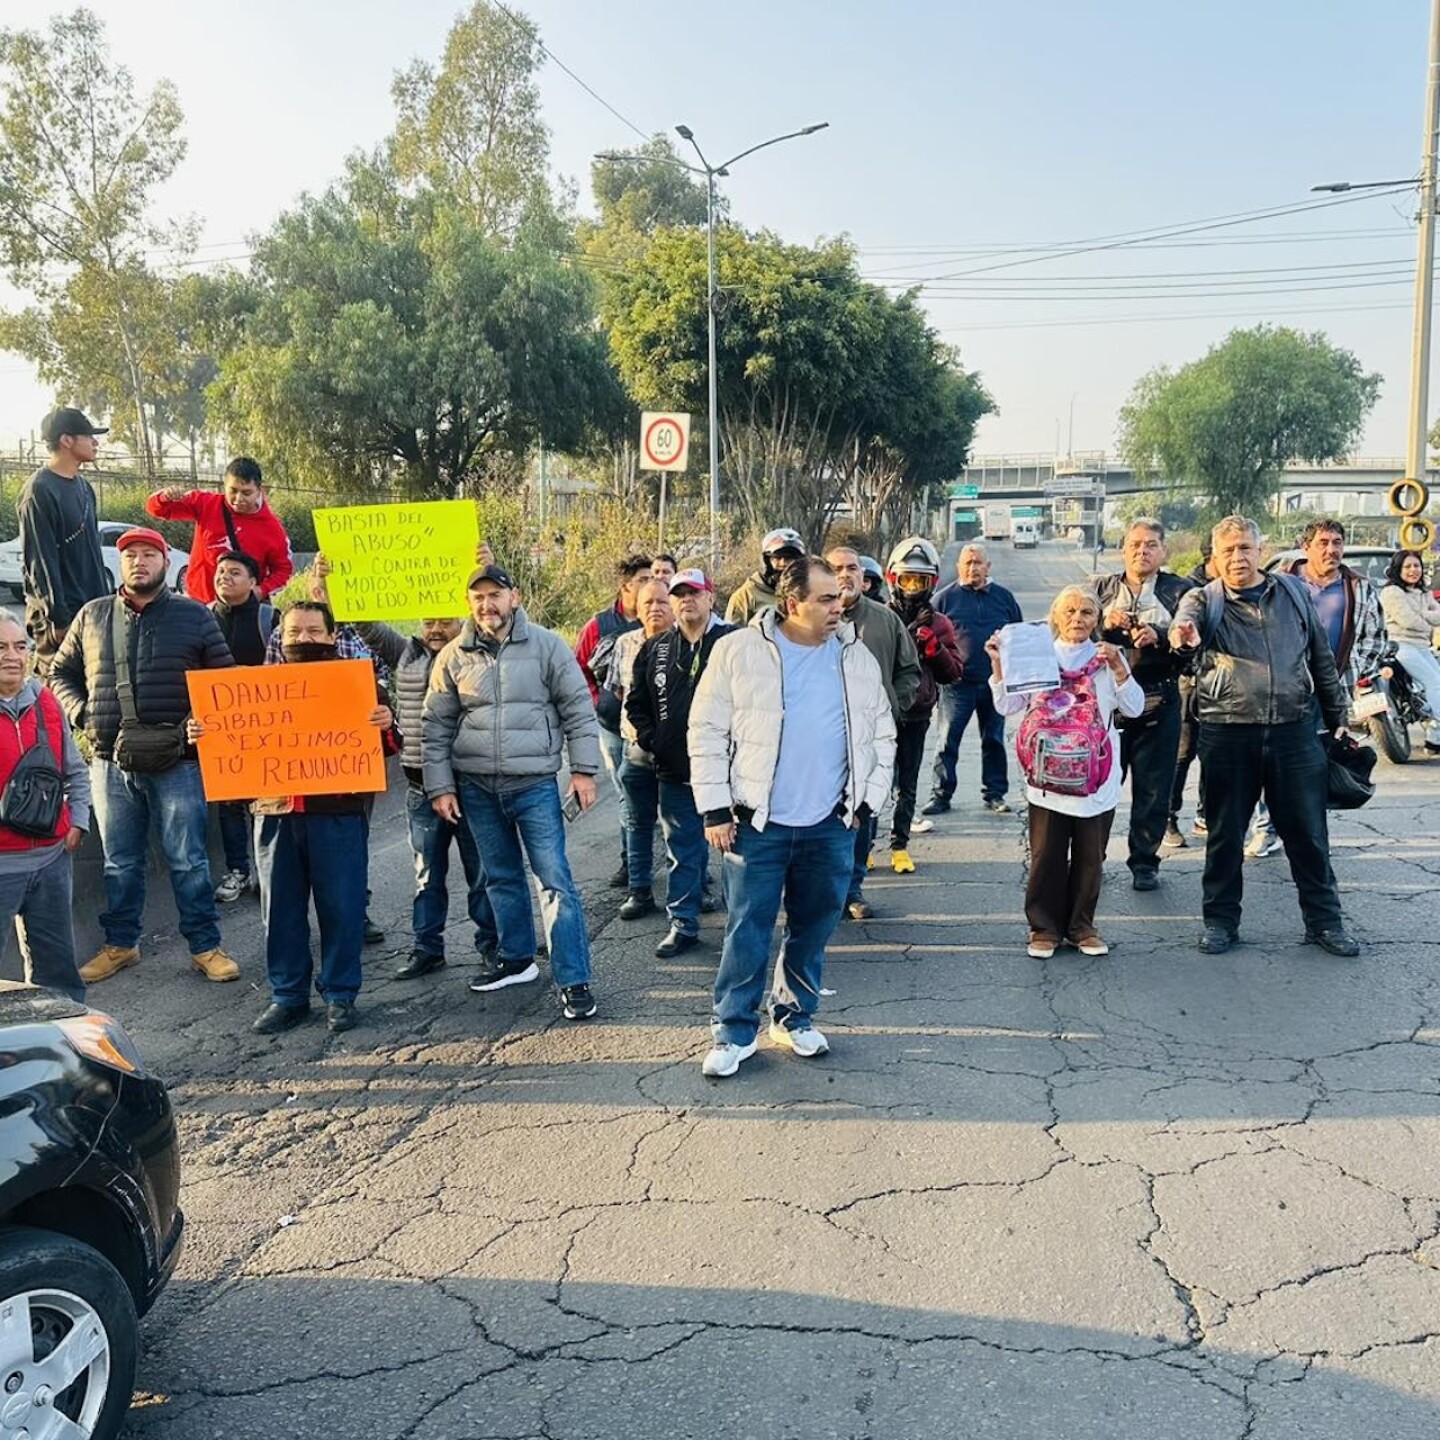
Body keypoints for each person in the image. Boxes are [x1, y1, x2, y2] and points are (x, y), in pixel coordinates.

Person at [689, 555, 895, 1079]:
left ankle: (794, 1016)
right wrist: (714, 807)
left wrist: (866, 802)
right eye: (826, 598)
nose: (840, 605)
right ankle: (734, 1032)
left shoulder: (855, 656)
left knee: (813, 926)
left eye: (841, 596)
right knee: (747, 929)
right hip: (757, 824)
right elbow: (706, 731)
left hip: (830, 823)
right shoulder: (737, 652)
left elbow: (881, 733)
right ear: (791, 603)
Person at [50, 527, 239, 984]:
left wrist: (200, 722)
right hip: (110, 762)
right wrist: (84, 715)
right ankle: (120, 945)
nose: (138, 561)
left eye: (148, 554)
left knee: (189, 859)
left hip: (179, 761)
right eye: (130, 554)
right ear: (120, 564)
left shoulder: (195, 617)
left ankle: (205, 946)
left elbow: (225, 684)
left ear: (165, 563)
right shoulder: (92, 615)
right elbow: (60, 673)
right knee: (120, 861)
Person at [1168, 515, 1358, 958]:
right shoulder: (1204, 599)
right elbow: (1183, 630)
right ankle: (1220, 922)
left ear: (1260, 550)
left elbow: (1321, 659)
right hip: (1228, 732)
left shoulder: (1291, 592)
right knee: (1225, 835)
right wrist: (1183, 637)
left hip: (1295, 730)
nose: (1238, 556)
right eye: (1229, 550)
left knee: (1309, 835)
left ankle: (1325, 923)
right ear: (1216, 557)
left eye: (1245, 548)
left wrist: (1338, 715)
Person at [423, 563, 603, 1020]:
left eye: (495, 596)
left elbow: (578, 709)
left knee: (555, 882)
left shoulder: (546, 646)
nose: (488, 605)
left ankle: (574, 978)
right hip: (476, 787)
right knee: (499, 877)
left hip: (535, 785)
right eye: (478, 597)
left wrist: (583, 770)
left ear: (514, 598)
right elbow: (436, 726)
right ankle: (518, 959)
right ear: (470, 603)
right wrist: (441, 786)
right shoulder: (453, 656)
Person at [309, 556, 501, 982]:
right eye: (429, 622)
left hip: (471, 786)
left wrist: (489, 565)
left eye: (445, 622)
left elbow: (502, 615)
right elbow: (365, 624)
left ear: (463, 621)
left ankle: (492, 945)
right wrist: (330, 582)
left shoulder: (480, 652)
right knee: (427, 875)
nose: (436, 629)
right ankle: (427, 948)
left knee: (481, 873)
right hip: (419, 787)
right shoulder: (405, 653)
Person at [242, 602, 395, 1035]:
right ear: (280, 638)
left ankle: (341, 995)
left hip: (338, 813)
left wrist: (385, 722)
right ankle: (288, 996)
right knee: (281, 909)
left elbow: (389, 745)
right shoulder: (255, 689)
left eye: (313, 632)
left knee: (342, 907)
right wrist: (200, 732)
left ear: (332, 637)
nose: (304, 640)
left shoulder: (362, 686)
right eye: (295, 632)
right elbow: (226, 746)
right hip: (275, 812)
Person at [987, 586, 1143, 958]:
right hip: (1047, 780)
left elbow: (1135, 709)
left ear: (1097, 620)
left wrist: (1121, 669)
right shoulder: (1037, 656)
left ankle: (1081, 927)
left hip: (1095, 780)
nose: (1077, 618)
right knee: (1046, 856)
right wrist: (998, 664)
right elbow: (1008, 705)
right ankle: (1043, 928)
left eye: (1087, 612)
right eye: (1070, 611)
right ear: (1056, 616)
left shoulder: (1108, 659)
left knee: (1091, 857)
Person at [626, 569, 734, 958]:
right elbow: (635, 703)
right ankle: (683, 924)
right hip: (675, 772)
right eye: (679, 594)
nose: (686, 600)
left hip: (729, 772)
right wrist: (653, 742)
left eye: (694, 593)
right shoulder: (655, 649)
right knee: (682, 852)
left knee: (739, 854)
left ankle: (741, 926)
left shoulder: (735, 642)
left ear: (711, 597)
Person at [1094, 519, 1195, 891]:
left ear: (1163, 551)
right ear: (1123, 549)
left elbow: (1194, 638)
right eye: (1135, 544)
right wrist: (1106, 621)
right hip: (1108, 700)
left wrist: (1163, 636)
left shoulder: (1182, 591)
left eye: (1151, 544)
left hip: (1160, 694)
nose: (1143, 551)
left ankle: (1144, 861)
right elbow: (1071, 628)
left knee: (1154, 788)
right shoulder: (1101, 588)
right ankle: (1093, 858)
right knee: (1102, 783)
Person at [826, 546, 920, 919]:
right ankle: (820, 890)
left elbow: (909, 671)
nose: (845, 575)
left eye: (852, 568)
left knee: (861, 812)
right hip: (820, 738)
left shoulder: (885, 619)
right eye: (836, 568)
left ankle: (852, 889)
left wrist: (890, 709)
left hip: (869, 740)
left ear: (863, 577)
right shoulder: (804, 620)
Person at [0, 615, 90, 1001]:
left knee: (58, 975)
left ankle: (63, 1050)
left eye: (20, 646)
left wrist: (79, 821)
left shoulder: (48, 702)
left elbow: (75, 769)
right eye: (1, 647)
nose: (13, 656)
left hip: (52, 858)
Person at [884, 537, 964, 872]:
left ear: (931, 583)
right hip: (878, 715)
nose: (913, 588)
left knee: (908, 783)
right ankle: (863, 850)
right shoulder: (880, 617)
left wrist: (935, 650)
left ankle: (899, 846)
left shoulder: (939, 623)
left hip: (916, 715)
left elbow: (953, 673)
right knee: (871, 783)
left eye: (920, 581)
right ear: (893, 580)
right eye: (907, 579)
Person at [925, 543, 1023, 815]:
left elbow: (1018, 637)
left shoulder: (1004, 597)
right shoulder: (943, 600)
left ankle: (995, 794)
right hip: (957, 684)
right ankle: (941, 795)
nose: (972, 568)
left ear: (987, 566)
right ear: (958, 567)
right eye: (967, 563)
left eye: (977, 562)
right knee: (947, 740)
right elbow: (926, 638)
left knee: (993, 739)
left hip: (995, 683)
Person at [574, 554, 651, 889]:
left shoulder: (659, 617)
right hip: (613, 726)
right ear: (625, 587)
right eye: (643, 581)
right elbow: (577, 669)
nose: (651, 586)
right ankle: (631, 863)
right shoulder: (599, 625)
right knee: (627, 794)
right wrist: (598, 700)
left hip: (654, 728)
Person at [18, 408, 110, 679]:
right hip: (60, 616)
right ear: (66, 440)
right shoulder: (39, 490)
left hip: (91, 609)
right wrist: (57, 617)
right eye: (89, 436)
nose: (96, 442)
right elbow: (40, 560)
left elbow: (92, 554)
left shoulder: (84, 487)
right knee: (58, 692)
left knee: (94, 687)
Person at [207, 551, 276, 902]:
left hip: (266, 727)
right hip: (219, 729)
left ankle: (267, 871)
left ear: (253, 583)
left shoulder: (270, 619)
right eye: (221, 571)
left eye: (235, 572)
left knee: (266, 801)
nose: (225, 577)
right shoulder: (200, 617)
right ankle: (238, 870)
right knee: (230, 804)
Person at [610, 577, 676, 921]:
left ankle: (694, 889)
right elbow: (619, 694)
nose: (654, 609)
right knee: (637, 824)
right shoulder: (625, 643)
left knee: (680, 826)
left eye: (662, 602)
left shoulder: (686, 643)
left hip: (680, 756)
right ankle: (639, 891)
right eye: (647, 602)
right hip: (636, 750)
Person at [145, 456, 294, 604]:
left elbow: (284, 571)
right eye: (233, 491)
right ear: (224, 486)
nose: (238, 498)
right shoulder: (205, 503)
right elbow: (155, 509)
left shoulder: (273, 529)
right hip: (199, 604)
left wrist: (261, 591)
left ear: (260, 490)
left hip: (242, 610)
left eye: (247, 493)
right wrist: (165, 496)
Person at [1165, 538, 1215, 848]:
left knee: (1216, 754)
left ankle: (1205, 816)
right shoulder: (1188, 590)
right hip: (1189, 681)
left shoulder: (1240, 588)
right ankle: (1168, 817)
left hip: (1225, 687)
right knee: (1183, 753)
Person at [1380, 549, 1440, 753]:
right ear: (1398, 569)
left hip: (1423, 646)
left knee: (1435, 683)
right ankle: (1436, 734)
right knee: (1434, 682)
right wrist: (1427, 620)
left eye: (1416, 566)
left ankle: (1434, 732)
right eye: (1407, 566)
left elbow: (1438, 615)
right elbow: (1407, 621)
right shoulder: (1392, 592)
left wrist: (1422, 615)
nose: (1413, 570)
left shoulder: (1424, 593)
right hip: (1401, 645)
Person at [724, 528, 804, 626]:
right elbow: (731, 637)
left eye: (789, 558)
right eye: (777, 558)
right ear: (766, 561)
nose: (783, 563)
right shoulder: (745, 596)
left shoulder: (806, 592)